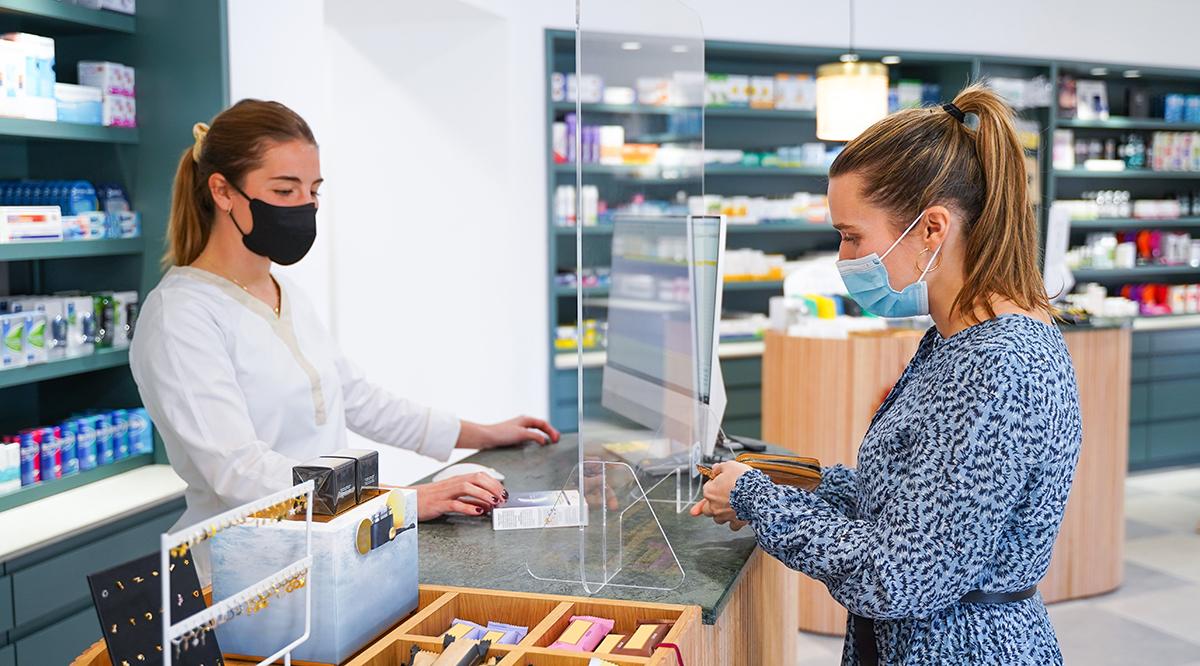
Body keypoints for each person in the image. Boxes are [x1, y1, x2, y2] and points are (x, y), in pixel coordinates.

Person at [691, 84, 1082, 665]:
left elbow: (902, 574)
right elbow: (913, 509)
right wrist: (805, 481)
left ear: (931, 230)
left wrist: (756, 500)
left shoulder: (1002, 366)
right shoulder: (952, 340)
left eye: (852, 236)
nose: (844, 258)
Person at [130, 99, 559, 558]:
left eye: (313, 190)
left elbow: (356, 398)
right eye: (284, 191)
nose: (304, 206)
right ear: (223, 191)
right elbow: (241, 472)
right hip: (243, 571)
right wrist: (399, 502)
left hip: (327, 548)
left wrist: (482, 435)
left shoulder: (283, 291)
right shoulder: (180, 315)